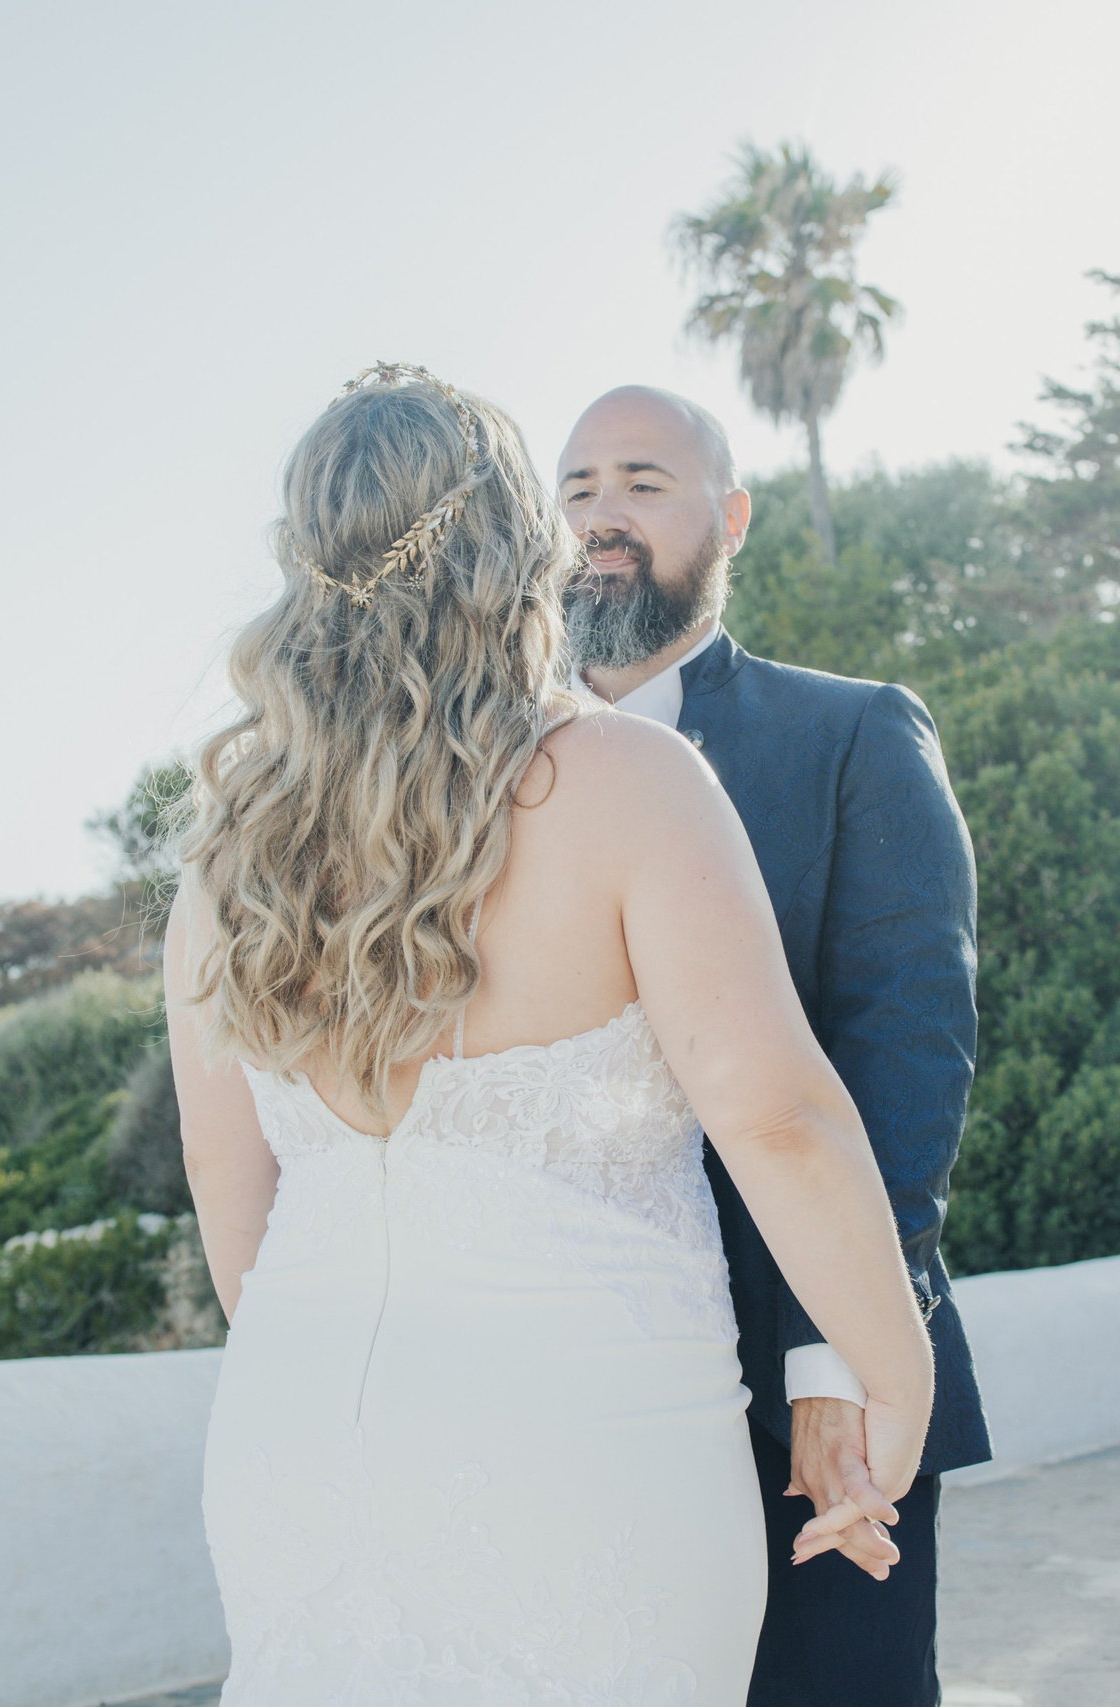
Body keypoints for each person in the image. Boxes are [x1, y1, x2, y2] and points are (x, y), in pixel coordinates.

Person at [165, 364, 936, 1705]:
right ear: (518, 545)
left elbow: (239, 1209)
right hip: (591, 1449)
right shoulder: (625, 782)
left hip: (294, 1444)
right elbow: (779, 1119)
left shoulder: (228, 850)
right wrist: (892, 1366)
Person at [556, 385, 990, 1707]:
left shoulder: (849, 734)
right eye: (575, 492)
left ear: (731, 517)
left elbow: (905, 1055)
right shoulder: (484, 776)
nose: (602, 518)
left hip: (809, 1395)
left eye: (641, 481)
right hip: (567, 1381)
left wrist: (835, 1359)